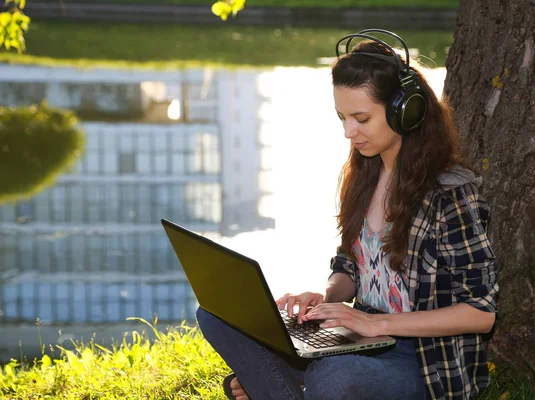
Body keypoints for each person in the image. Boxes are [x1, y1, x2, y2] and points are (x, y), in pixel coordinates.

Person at [196, 29, 499, 400]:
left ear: (407, 111)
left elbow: (480, 312)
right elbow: (351, 266)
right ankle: (284, 387)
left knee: (333, 376)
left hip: (422, 358)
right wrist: (327, 298)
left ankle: (275, 388)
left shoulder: (451, 194)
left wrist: (376, 322)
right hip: (359, 339)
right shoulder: (365, 173)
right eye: (342, 117)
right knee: (217, 314)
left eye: (361, 118)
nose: (348, 132)